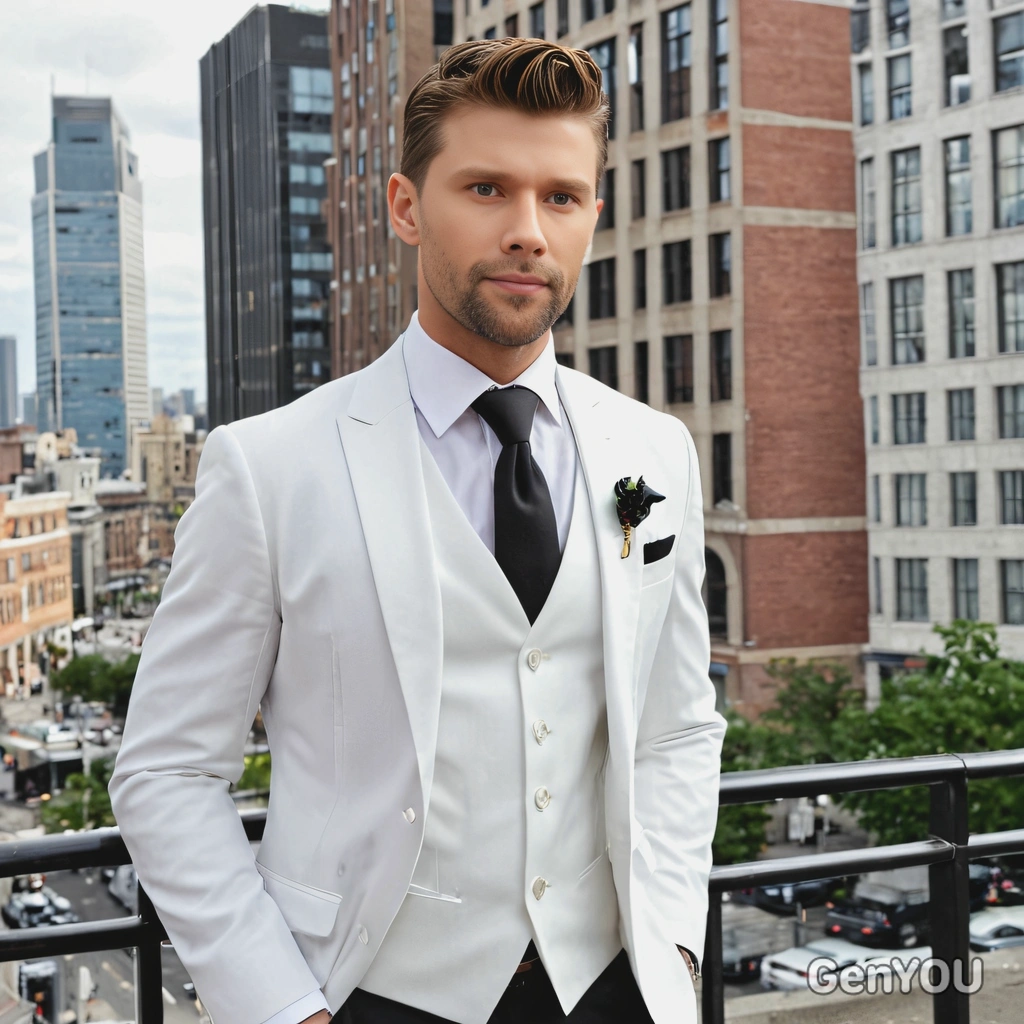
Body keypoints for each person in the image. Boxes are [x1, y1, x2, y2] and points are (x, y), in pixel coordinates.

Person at [109, 37, 725, 1024]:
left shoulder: (652, 449)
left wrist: (678, 946)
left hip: (615, 989)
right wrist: (284, 1008)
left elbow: (678, 728)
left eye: (561, 198)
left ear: (592, 219)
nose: (528, 230)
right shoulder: (269, 466)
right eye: (486, 189)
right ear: (405, 207)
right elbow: (166, 771)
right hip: (372, 995)